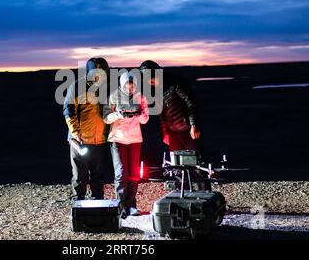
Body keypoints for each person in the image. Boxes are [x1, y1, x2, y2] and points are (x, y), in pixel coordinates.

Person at [139, 60, 211, 190]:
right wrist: (164, 133)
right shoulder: (155, 91)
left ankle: (204, 194)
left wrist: (194, 124)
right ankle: (183, 195)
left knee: (197, 165)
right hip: (172, 132)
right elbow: (161, 115)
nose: (150, 82)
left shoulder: (175, 82)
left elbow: (190, 103)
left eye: (150, 78)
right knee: (177, 167)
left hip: (188, 129)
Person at [63, 57, 110, 200]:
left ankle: (99, 207)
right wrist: (75, 133)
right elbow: (68, 110)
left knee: (98, 176)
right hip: (80, 141)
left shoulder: (107, 88)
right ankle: (79, 206)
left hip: (100, 141)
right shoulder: (77, 87)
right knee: (80, 176)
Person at [103, 71, 149, 217]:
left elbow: (145, 120)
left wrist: (139, 113)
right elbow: (105, 118)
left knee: (134, 173)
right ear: (122, 85)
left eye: (132, 86)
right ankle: (121, 206)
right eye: (127, 86)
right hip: (118, 138)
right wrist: (118, 114)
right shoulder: (114, 96)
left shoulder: (141, 97)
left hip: (135, 138)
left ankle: (132, 205)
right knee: (121, 173)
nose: (130, 89)